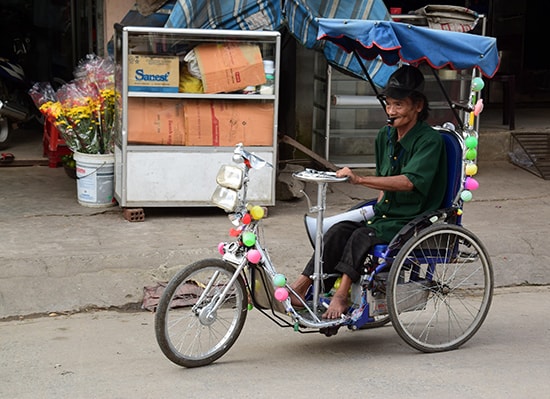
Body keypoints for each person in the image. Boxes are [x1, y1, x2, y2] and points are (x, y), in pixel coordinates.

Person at [290, 65, 448, 319]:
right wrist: (375, 205)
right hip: (388, 212)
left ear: (418, 106)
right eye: (388, 104)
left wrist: (361, 179)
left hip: (415, 216)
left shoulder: (430, 140)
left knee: (362, 236)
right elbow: (386, 179)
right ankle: (303, 285)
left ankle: (340, 297)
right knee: (338, 230)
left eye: (399, 104)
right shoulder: (385, 136)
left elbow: (409, 182)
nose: (391, 111)